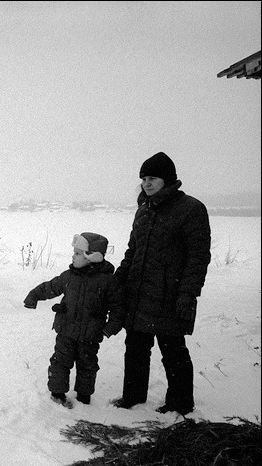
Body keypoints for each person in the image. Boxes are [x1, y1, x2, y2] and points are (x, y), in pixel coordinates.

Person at [112, 152, 211, 416]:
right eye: (144, 178)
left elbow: (198, 257)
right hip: (139, 291)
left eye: (152, 177)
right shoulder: (143, 211)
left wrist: (188, 294)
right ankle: (132, 397)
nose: (147, 183)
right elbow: (133, 251)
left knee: (172, 350)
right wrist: (119, 280)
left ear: (167, 180)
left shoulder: (191, 209)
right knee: (135, 347)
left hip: (170, 293)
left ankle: (180, 403)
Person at [24, 232, 125, 408]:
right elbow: (51, 287)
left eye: (78, 253)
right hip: (66, 330)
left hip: (91, 334)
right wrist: (33, 296)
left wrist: (110, 328)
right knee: (60, 361)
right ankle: (57, 393)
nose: (73, 256)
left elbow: (118, 308)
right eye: (74, 252)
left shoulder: (108, 281)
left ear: (91, 257)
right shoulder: (69, 276)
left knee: (87, 365)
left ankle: (84, 396)